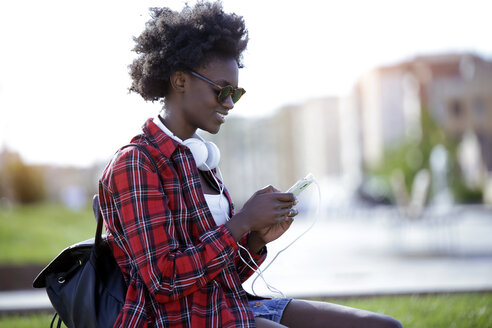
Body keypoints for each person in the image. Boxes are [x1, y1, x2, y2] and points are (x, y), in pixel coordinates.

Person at [98, 2, 402, 327]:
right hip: (176, 320)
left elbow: (225, 275)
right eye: (222, 91)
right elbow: (164, 280)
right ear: (180, 81)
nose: (229, 103)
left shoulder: (202, 161)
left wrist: (256, 238)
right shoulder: (137, 163)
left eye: (236, 93)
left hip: (232, 308)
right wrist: (242, 221)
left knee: (382, 326)